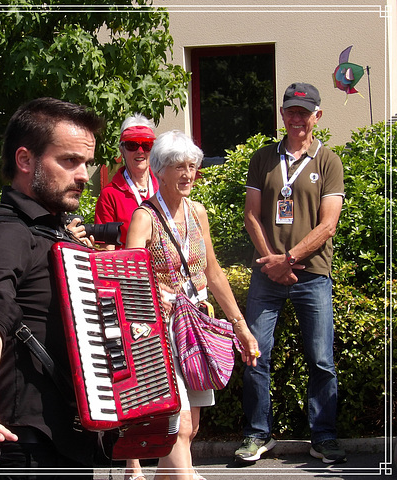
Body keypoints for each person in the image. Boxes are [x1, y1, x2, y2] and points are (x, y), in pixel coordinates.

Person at [0, 97, 106, 479]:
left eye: (87, 162)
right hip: (21, 449)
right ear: (25, 160)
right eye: (69, 161)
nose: (84, 174)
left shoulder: (56, 232)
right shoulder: (4, 230)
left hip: (66, 442)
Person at [125, 130, 260, 480]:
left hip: (196, 326)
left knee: (191, 427)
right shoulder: (144, 217)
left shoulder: (198, 212)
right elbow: (130, 279)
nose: (187, 174)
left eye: (192, 166)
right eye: (178, 167)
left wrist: (241, 327)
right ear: (160, 171)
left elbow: (212, 272)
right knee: (179, 425)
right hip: (161, 330)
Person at [235, 82, 346, 465]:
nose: (297, 118)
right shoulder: (262, 158)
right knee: (254, 355)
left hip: (313, 274)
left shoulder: (328, 161)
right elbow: (251, 215)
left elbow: (328, 224)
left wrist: (291, 259)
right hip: (267, 275)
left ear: (317, 116)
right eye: (291, 111)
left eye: (304, 111)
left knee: (320, 359)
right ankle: (257, 434)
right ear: (282, 114)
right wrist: (272, 261)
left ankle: (323, 437)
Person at [94, 113, 159, 249]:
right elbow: (107, 251)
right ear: (121, 150)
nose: (140, 151)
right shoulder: (110, 195)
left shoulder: (164, 185)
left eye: (146, 145)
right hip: (130, 267)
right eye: (132, 145)